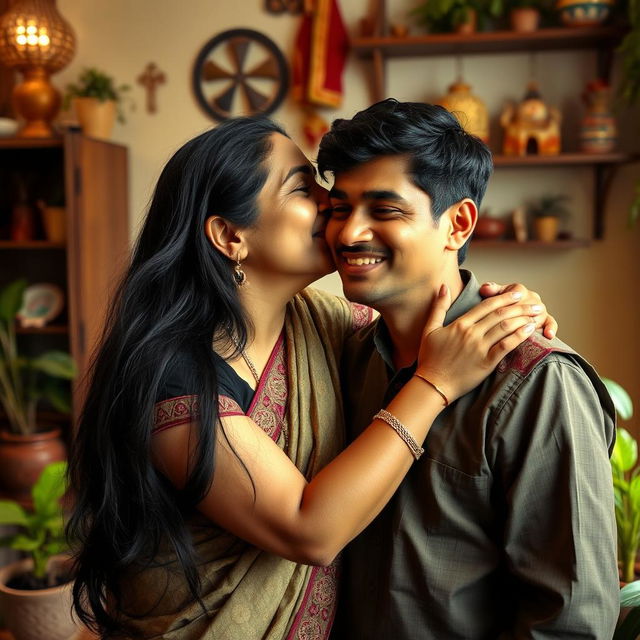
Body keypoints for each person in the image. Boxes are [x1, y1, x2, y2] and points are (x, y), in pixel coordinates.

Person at [67, 116, 556, 640]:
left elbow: (414, 321)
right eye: (304, 188)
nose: (333, 206)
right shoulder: (169, 375)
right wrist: (434, 383)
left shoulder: (321, 323)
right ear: (231, 235)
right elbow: (310, 530)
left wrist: (505, 311)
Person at [316, 99, 619, 640]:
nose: (349, 233)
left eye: (384, 210)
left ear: (457, 223)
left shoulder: (539, 382)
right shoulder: (345, 353)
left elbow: (569, 623)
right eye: (340, 208)